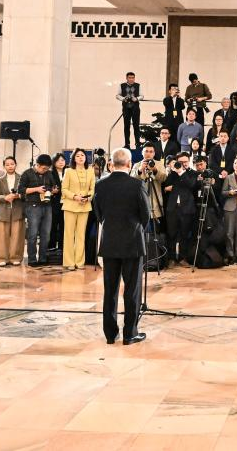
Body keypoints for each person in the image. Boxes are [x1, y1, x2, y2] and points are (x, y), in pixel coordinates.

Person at [94, 148, 151, 345]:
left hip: (109, 242)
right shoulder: (137, 185)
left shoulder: (100, 185)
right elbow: (146, 215)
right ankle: (130, 333)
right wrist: (135, 229)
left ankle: (110, 334)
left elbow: (98, 213)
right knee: (132, 289)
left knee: (110, 289)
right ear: (129, 164)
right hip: (132, 243)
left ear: (111, 164)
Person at [19, 154, 57, 267]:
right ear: (37, 165)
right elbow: (20, 190)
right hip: (33, 206)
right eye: (43, 168)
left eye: (47, 169)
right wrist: (37, 189)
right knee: (33, 234)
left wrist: (53, 190)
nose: (45, 171)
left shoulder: (49, 174)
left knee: (46, 234)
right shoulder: (27, 173)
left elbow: (54, 186)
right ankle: (31, 259)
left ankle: (43, 258)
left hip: (47, 206)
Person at [61, 148, 95, 271]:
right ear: (73, 159)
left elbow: (92, 189)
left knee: (81, 235)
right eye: (78, 156)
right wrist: (75, 197)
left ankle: (80, 262)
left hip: (84, 206)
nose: (80, 157)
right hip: (70, 206)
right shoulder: (68, 171)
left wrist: (88, 198)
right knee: (69, 235)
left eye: (82, 155)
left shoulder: (90, 171)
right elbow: (64, 189)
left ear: (86, 158)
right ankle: (69, 262)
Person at [164, 152, 199, 264]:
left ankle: (183, 258)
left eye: (185, 162)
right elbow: (166, 187)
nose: (183, 164)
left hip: (187, 208)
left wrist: (181, 172)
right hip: (172, 208)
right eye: (181, 162)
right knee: (171, 234)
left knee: (185, 234)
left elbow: (191, 185)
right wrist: (176, 172)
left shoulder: (193, 173)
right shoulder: (172, 173)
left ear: (189, 161)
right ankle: (171, 258)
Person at [0, 156, 25, 267]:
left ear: (16, 165)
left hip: (18, 210)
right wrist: (5, 197)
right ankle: (2, 258)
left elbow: (25, 193)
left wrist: (18, 195)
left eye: (12, 164)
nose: (10, 166)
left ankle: (15, 257)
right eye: (7, 164)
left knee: (17, 235)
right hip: (3, 211)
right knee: (2, 235)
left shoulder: (22, 178)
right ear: (4, 166)